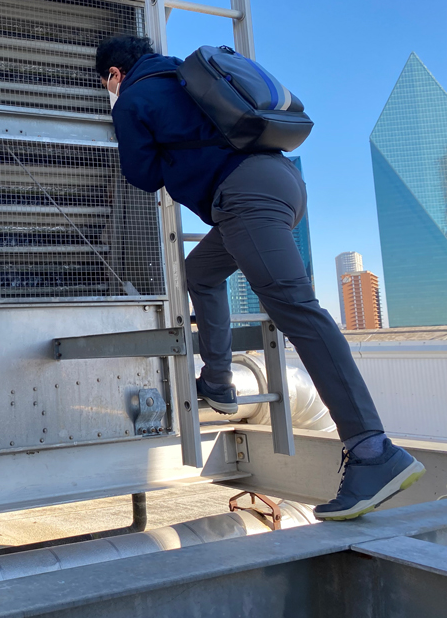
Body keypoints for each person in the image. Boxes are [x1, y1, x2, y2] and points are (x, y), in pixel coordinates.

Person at [95, 35, 425, 520]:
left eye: (106, 83)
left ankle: (373, 451)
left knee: (297, 310)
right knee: (201, 273)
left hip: (245, 196)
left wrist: (146, 137)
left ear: (114, 75)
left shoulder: (134, 97)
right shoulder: (184, 74)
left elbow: (141, 176)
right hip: (281, 181)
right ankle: (221, 383)